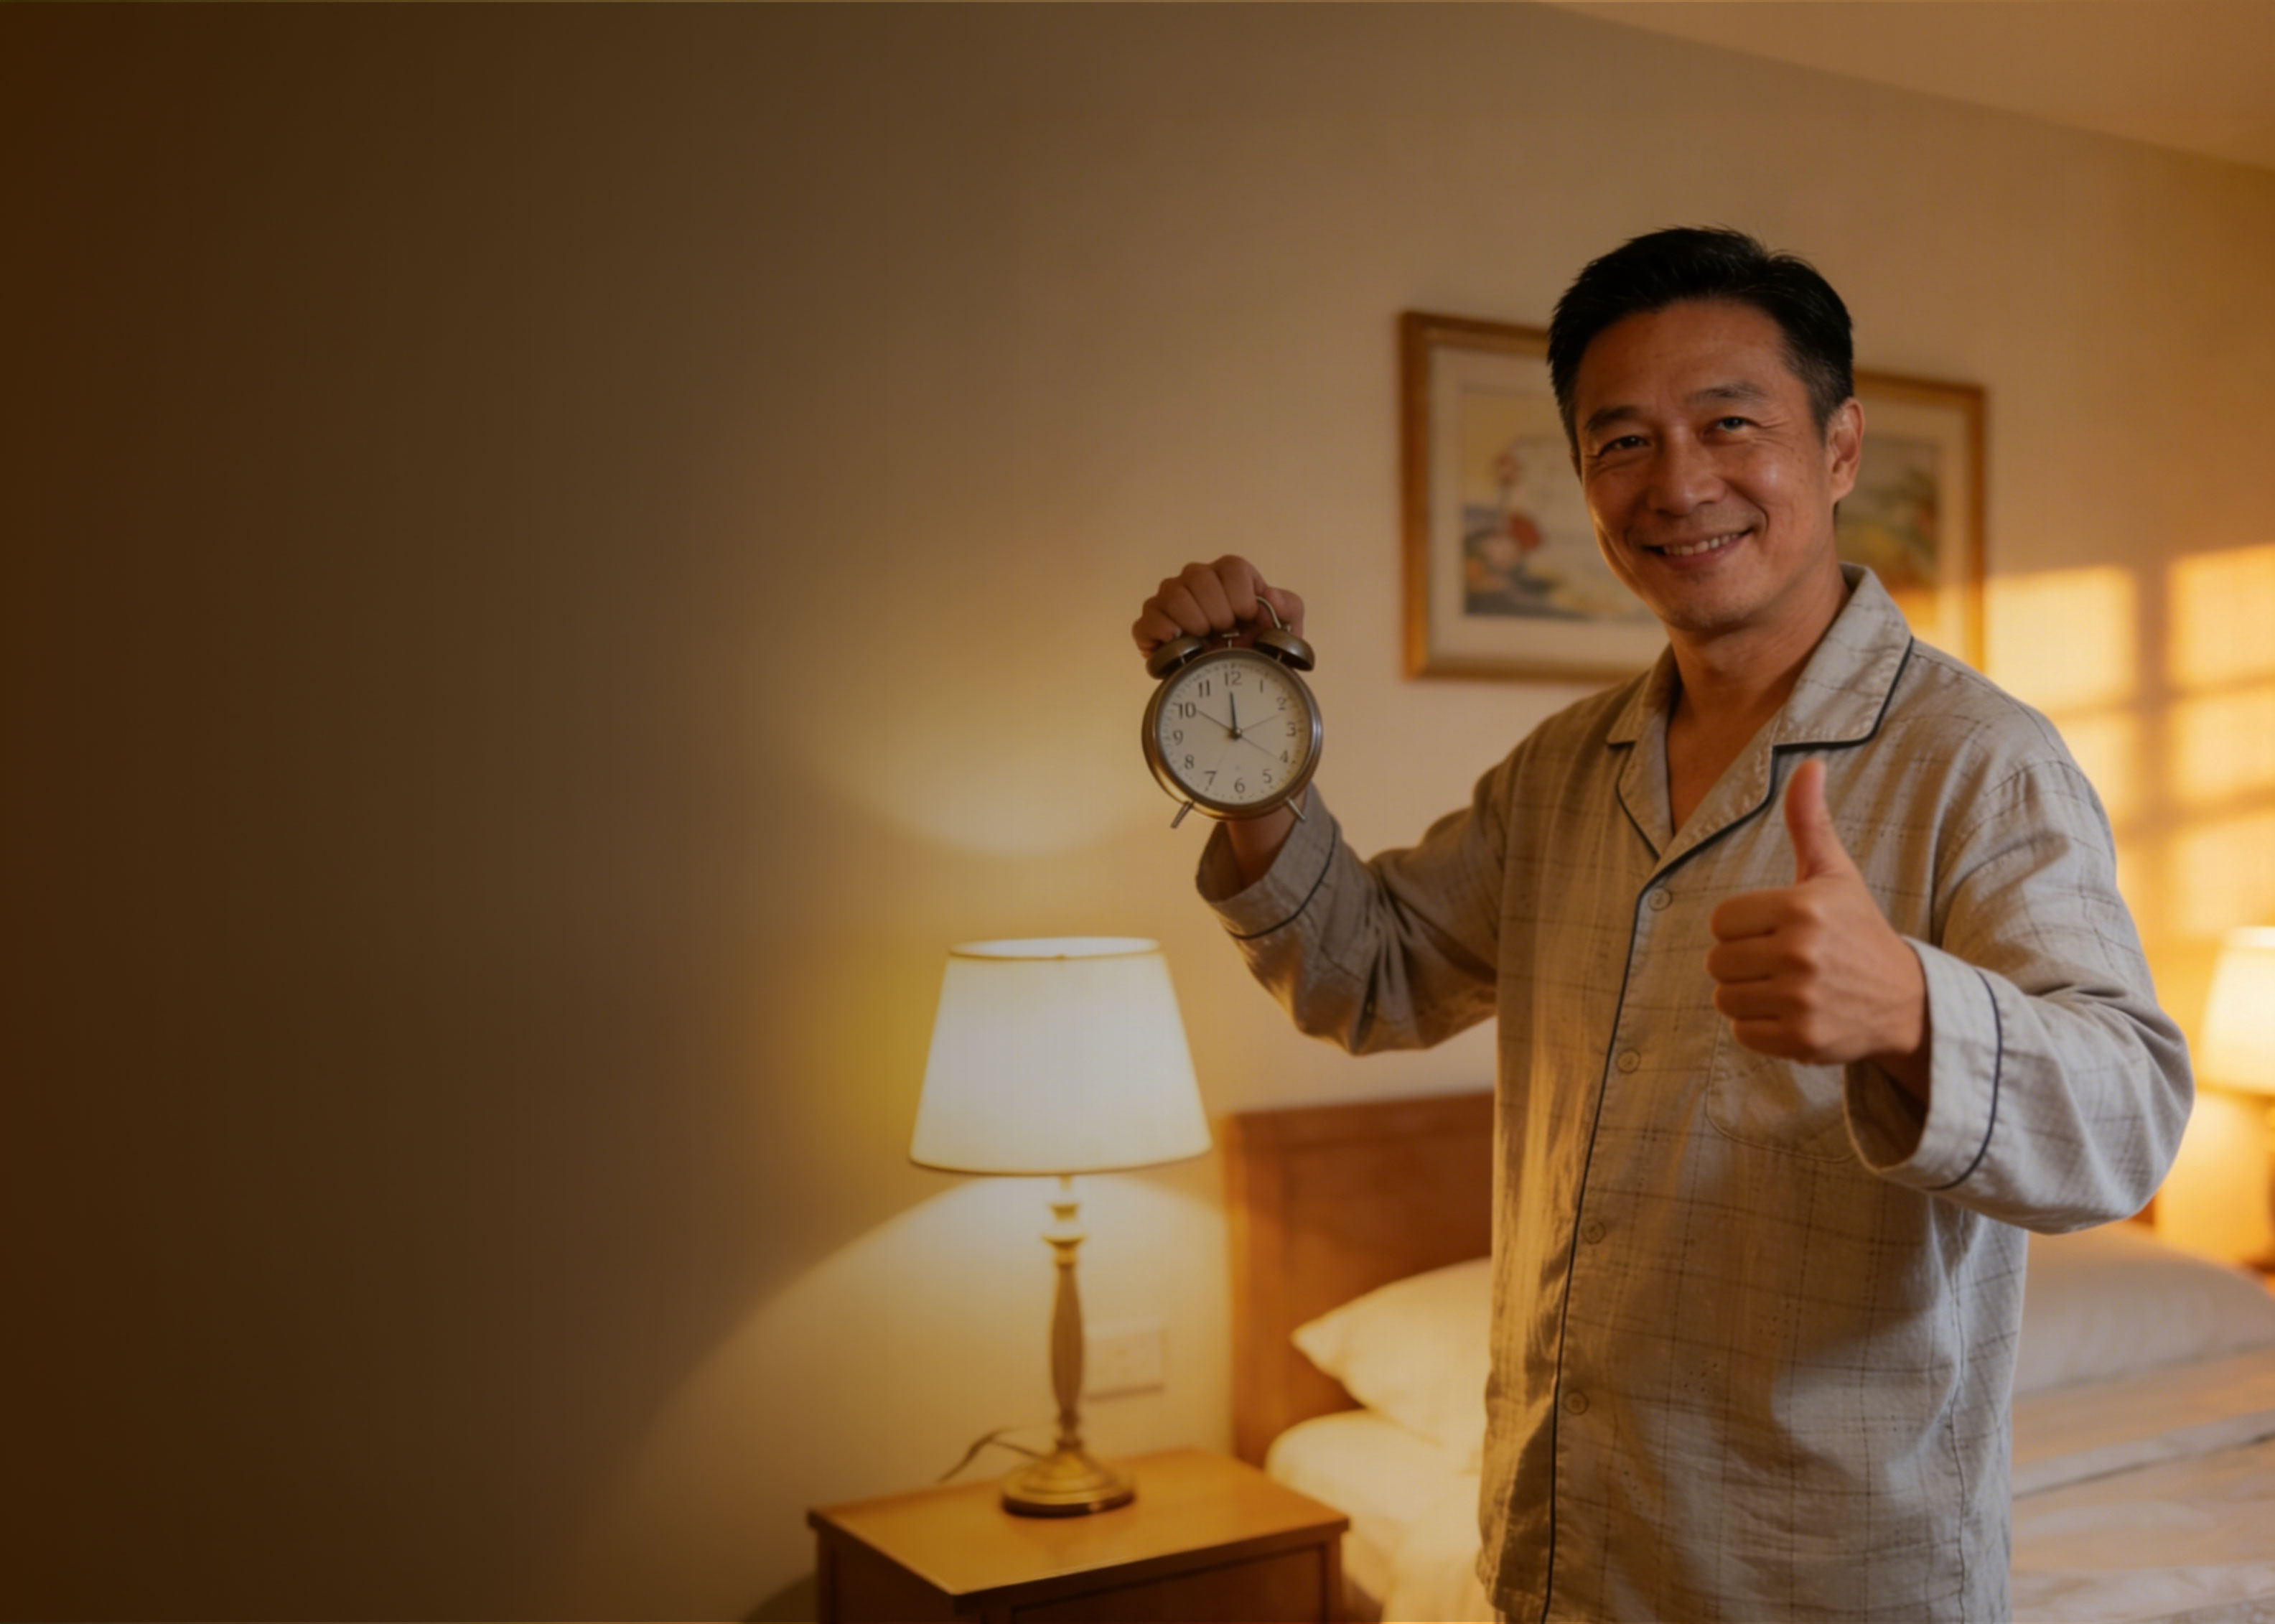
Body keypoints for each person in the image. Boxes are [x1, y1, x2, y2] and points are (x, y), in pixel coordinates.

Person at [1131, 228, 2191, 1624]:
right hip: (1563, 1552)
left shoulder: (1977, 761)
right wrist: (1246, 756)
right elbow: (1364, 973)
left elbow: (2130, 1121)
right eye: (1620, 442)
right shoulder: (1564, 769)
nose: (1678, 482)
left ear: (1837, 448)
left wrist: (1909, 1009)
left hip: (1826, 1578)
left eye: (1728, 424)